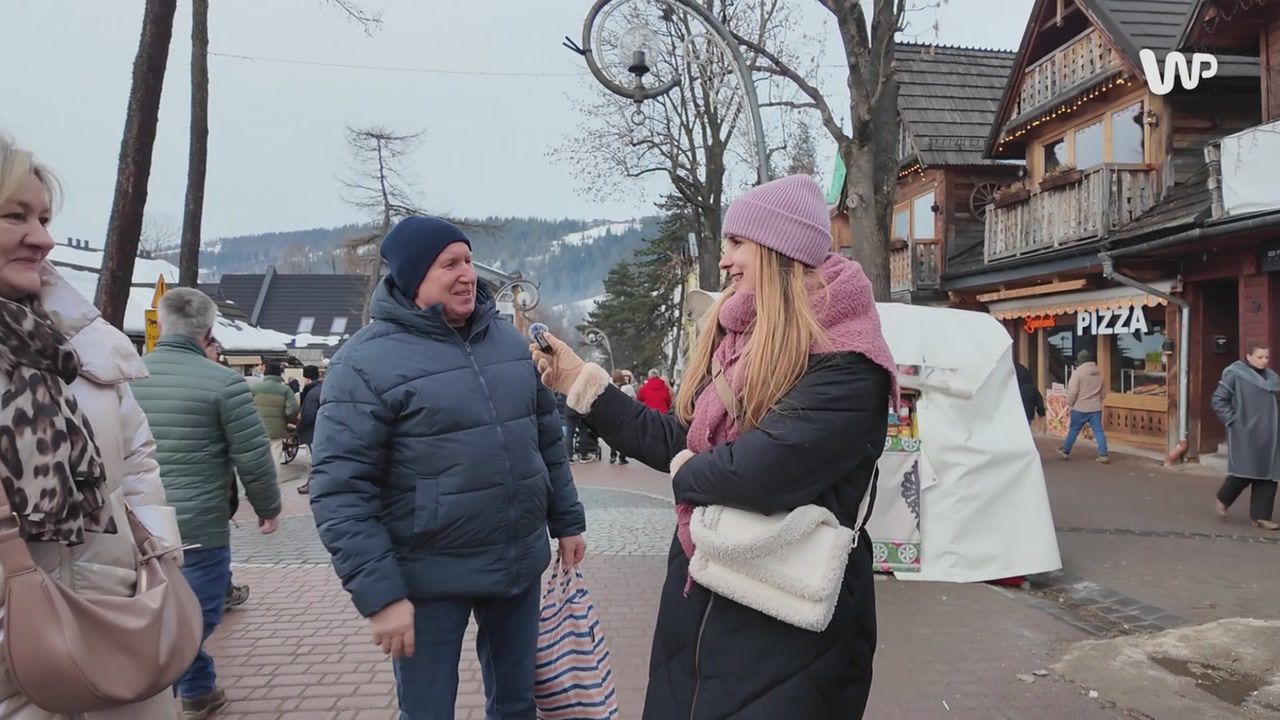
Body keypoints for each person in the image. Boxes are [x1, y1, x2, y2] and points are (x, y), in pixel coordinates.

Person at [532, 175, 893, 719]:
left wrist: (685, 471)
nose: (724, 262)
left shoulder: (848, 359)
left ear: (778, 250)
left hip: (788, 632)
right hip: (700, 604)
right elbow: (683, 441)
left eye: (736, 244)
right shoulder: (738, 341)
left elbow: (754, 473)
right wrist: (582, 383)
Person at [309, 216, 587, 719]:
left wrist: (567, 520)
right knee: (428, 711)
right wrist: (381, 596)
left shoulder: (507, 342)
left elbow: (546, 436)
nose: (468, 275)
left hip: (517, 564)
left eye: (468, 260)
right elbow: (341, 490)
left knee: (517, 704)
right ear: (414, 277)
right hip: (427, 578)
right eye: (449, 264)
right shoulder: (364, 364)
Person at [0, 136, 183, 718]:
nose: (43, 238)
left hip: (119, 633)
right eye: (15, 215)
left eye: (45, 218)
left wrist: (154, 558)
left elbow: (136, 464)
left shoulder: (78, 348)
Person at [132, 287, 282, 719]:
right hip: (198, 525)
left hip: (134, 523)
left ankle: (197, 688)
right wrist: (268, 508)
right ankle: (173, 685)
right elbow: (252, 455)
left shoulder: (129, 375)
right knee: (200, 614)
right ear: (209, 331)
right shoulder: (224, 383)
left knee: (154, 610)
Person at [203, 338, 252, 612]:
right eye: (214, 346)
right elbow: (249, 448)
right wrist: (265, 502)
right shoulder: (224, 382)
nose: (219, 352)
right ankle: (221, 591)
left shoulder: (141, 373)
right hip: (207, 494)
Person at [1212, 345, 1280, 531]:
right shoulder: (1235, 374)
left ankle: (1261, 517)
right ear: (1249, 356)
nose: (1264, 360)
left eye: (1267, 356)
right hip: (1245, 431)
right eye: (1260, 356)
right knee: (1244, 471)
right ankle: (1223, 498)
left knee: (1269, 475)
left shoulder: (1272, 378)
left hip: (1271, 433)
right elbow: (1218, 399)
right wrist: (1233, 420)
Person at [250, 361, 303, 483]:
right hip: (277, 430)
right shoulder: (285, 389)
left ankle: (256, 484)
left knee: (258, 458)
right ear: (279, 374)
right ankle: (271, 484)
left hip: (256, 430)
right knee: (274, 457)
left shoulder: (254, 388)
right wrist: (287, 418)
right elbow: (293, 410)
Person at [1057, 350, 1109, 464]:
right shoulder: (1099, 374)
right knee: (1098, 431)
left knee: (1074, 430)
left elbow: (1073, 391)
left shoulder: (1077, 373)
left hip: (1079, 407)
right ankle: (1103, 455)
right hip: (1095, 408)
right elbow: (1104, 392)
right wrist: (1098, 401)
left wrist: (1069, 403)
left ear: (1080, 361)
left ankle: (1065, 451)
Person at [294, 364, 323, 494]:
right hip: (320, 431)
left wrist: (299, 427)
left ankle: (312, 485)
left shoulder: (311, 393)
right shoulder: (321, 389)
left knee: (312, 460)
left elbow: (309, 415)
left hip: (312, 432)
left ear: (307, 378)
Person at [609, 369, 632, 465]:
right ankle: (622, 458)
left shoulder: (610, 387)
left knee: (613, 436)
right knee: (624, 437)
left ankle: (612, 455)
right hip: (624, 414)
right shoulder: (628, 388)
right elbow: (633, 399)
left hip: (612, 414)